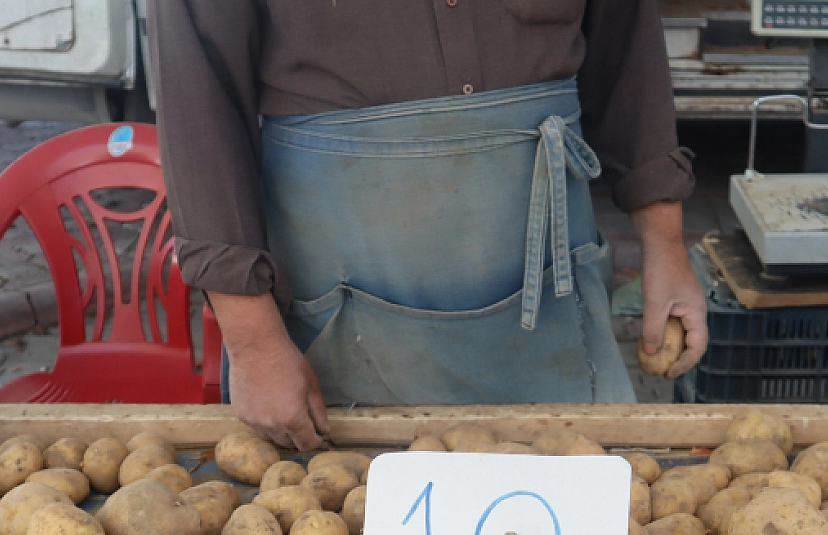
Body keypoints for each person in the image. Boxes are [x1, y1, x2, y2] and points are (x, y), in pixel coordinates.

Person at [151, 0, 709, 450]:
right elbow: (200, 99)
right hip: (343, 302)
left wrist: (665, 245)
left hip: (548, 293)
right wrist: (254, 345)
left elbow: (626, 41)